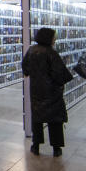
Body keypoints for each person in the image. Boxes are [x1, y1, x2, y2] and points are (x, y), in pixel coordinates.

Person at [22, 27, 72, 156]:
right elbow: (59, 73)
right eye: (54, 37)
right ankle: (56, 148)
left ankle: (36, 145)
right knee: (55, 120)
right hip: (52, 91)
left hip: (36, 90)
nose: (55, 39)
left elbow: (25, 69)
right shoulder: (51, 52)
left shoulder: (31, 50)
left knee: (37, 119)